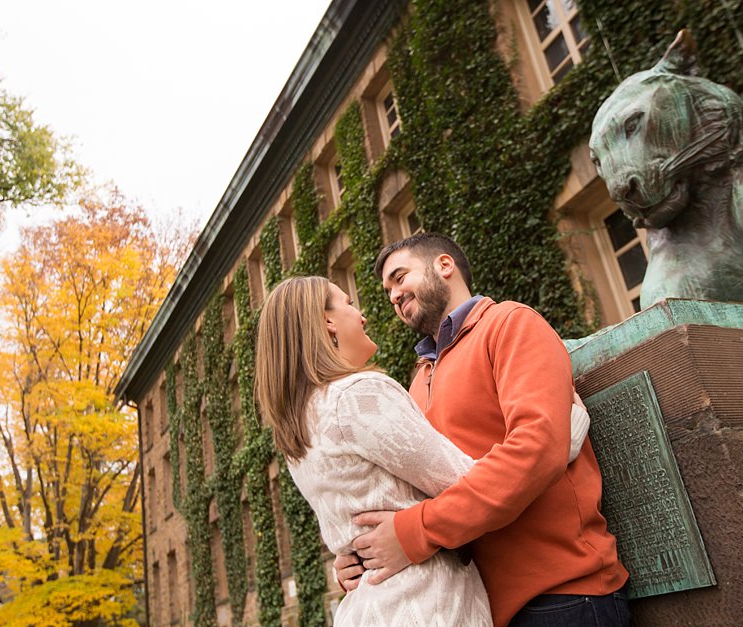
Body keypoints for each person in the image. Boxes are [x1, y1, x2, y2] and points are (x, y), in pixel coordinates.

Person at [254, 276, 590, 626]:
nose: (362, 314)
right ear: (327, 322)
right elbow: (466, 483)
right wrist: (561, 436)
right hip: (423, 603)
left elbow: (352, 527)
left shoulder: (297, 428)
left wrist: (351, 558)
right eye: (349, 304)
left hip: (368, 608)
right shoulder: (359, 394)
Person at [336, 233, 630, 627]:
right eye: (388, 290)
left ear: (444, 266)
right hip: (475, 610)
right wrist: (358, 556)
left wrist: (416, 531)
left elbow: (535, 448)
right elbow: (404, 493)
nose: (393, 295)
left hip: (562, 596)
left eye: (400, 277)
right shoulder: (417, 381)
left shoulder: (509, 323)